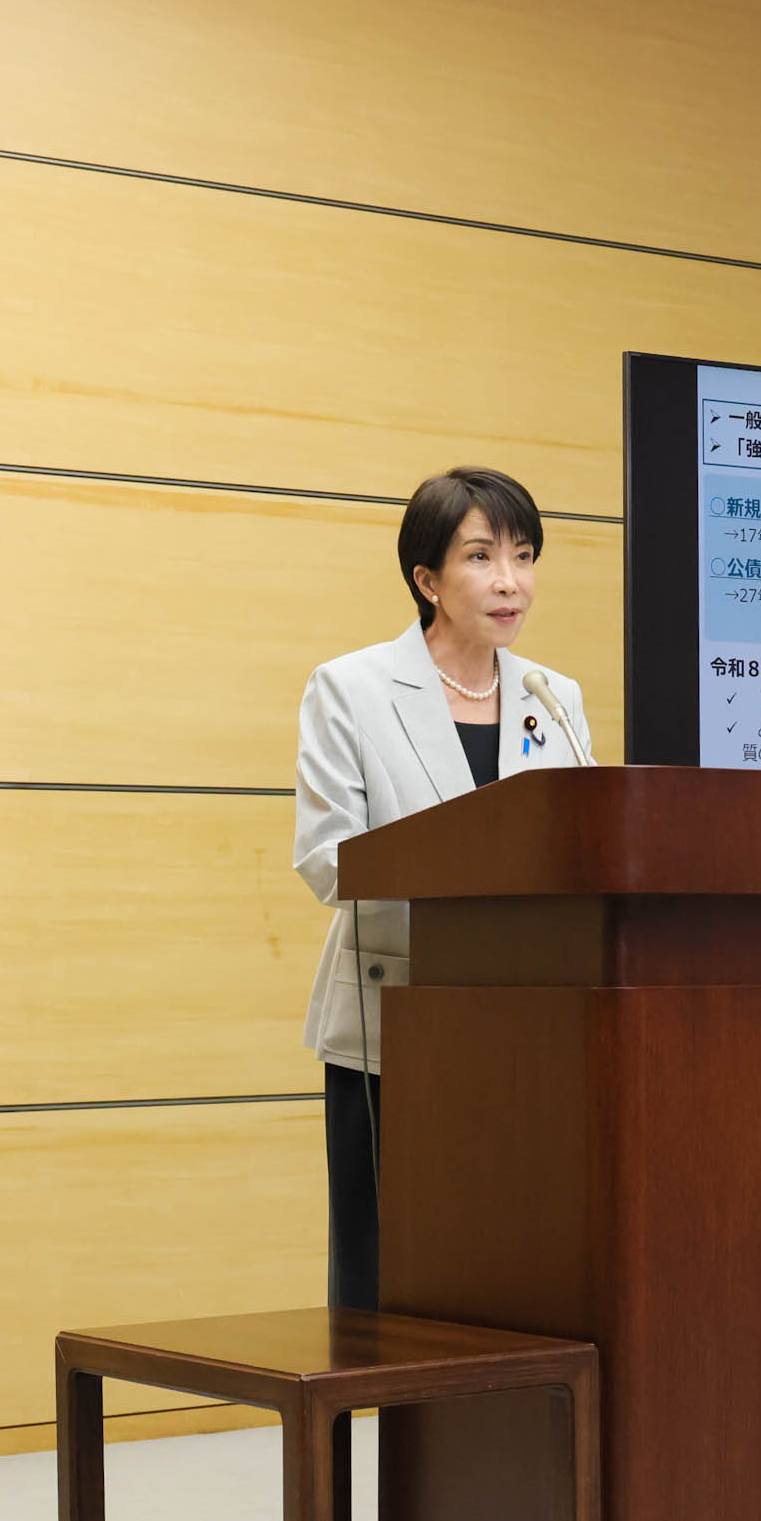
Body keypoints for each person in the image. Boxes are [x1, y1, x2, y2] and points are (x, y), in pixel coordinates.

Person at [292, 466, 593, 1310]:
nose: (511, 580)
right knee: (386, 1275)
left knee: (503, 1264)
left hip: (526, 1024)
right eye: (481, 556)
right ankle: (377, 1431)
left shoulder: (552, 696)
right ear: (427, 578)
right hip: (396, 1024)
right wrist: (474, 880)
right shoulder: (351, 689)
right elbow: (329, 857)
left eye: (525, 556)